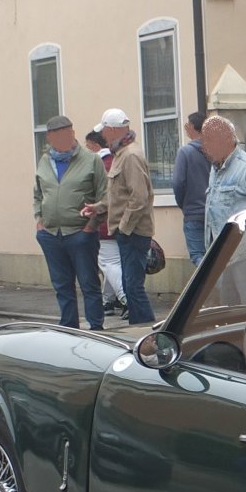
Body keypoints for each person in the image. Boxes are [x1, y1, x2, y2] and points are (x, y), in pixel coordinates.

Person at [83, 108, 156, 325]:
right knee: (130, 285)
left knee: (133, 287)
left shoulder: (130, 155)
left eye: (104, 130)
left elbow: (139, 197)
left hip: (133, 232)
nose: (102, 135)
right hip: (128, 232)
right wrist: (98, 207)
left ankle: (146, 334)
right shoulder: (120, 153)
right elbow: (119, 195)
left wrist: (124, 227)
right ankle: (142, 332)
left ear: (113, 129)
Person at [33, 115, 107, 330]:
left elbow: (104, 196)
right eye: (56, 135)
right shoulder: (45, 161)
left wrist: (90, 227)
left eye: (66, 133)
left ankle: (96, 328)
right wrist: (40, 221)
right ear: (49, 138)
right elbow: (38, 194)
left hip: (80, 233)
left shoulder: (92, 160)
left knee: (89, 284)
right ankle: (69, 329)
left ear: (72, 133)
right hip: (51, 234)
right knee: (62, 286)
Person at [201, 114, 246, 252]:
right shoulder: (215, 167)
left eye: (211, 141)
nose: (206, 147)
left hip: (245, 255)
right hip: (216, 253)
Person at [84, 129, 127, 319]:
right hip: (121, 221)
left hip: (102, 222)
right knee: (113, 262)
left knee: (109, 263)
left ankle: (127, 299)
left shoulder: (97, 165)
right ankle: (107, 301)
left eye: (87, 146)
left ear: (94, 145)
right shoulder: (117, 160)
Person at [172, 111, 210, 265]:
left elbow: (178, 182)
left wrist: (183, 203)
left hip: (193, 211)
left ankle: (211, 286)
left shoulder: (185, 152)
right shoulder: (215, 150)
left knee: (198, 255)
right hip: (214, 211)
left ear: (192, 127)